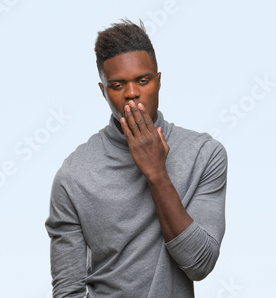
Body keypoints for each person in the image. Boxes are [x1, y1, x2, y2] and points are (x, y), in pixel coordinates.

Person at [45, 19, 227, 297]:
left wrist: (157, 173)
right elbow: (68, 289)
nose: (132, 93)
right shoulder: (73, 175)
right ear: (103, 91)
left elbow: (199, 264)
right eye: (117, 85)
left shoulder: (204, 154)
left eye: (143, 80)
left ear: (158, 81)